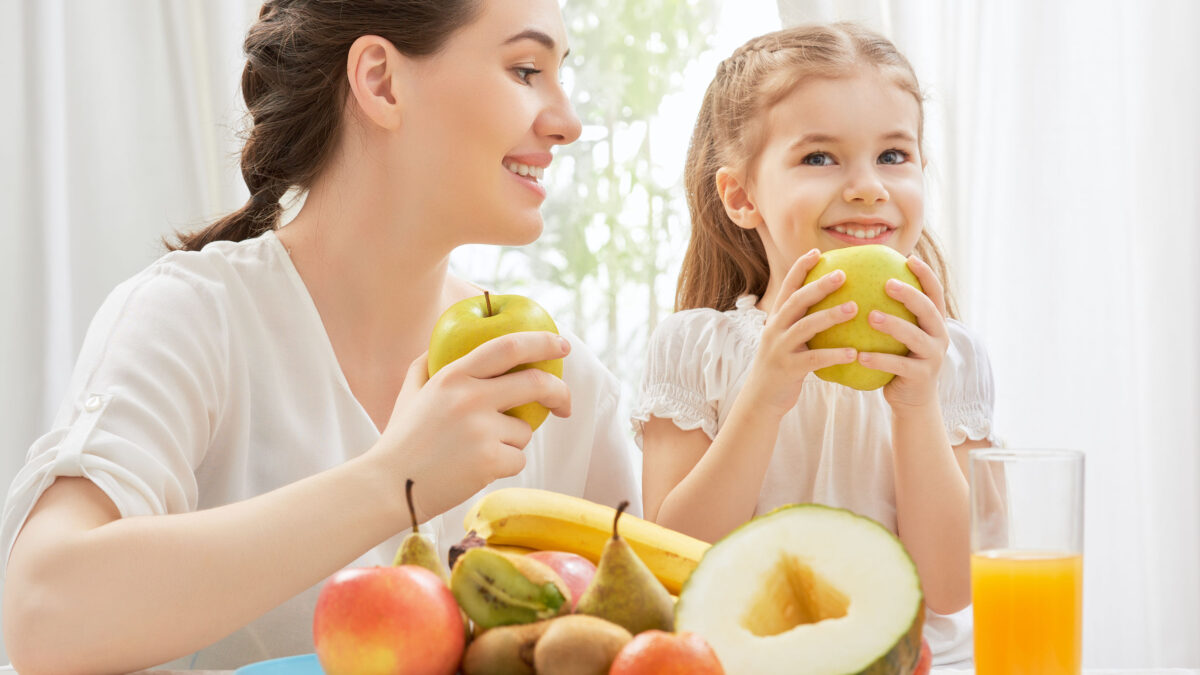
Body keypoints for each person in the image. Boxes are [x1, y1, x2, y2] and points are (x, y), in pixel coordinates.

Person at [1, 1, 640, 672]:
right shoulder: (196, 319)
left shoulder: (561, 384)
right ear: (381, 81)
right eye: (525, 69)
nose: (567, 122)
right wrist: (391, 480)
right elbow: (46, 614)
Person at [633, 23, 994, 664]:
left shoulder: (952, 359)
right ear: (742, 196)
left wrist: (916, 406)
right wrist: (763, 397)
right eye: (820, 158)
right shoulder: (696, 350)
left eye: (893, 156)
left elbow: (951, 587)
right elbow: (674, 566)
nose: (867, 187)